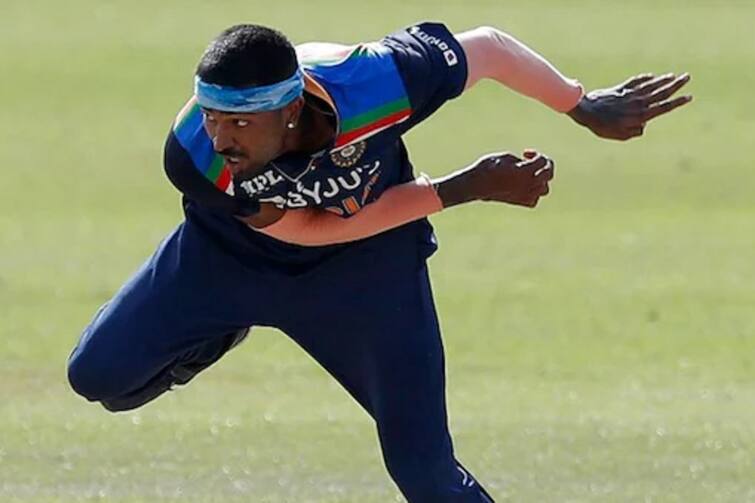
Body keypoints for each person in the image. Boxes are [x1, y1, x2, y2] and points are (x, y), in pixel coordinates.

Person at [67, 21, 692, 502]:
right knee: (97, 377)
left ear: (289, 110)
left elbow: (490, 50)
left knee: (423, 470)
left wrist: (580, 106)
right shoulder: (194, 154)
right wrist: (458, 189)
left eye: (239, 122)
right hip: (228, 260)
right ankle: (224, 327)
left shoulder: (377, 81)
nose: (221, 138)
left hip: (368, 267)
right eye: (211, 117)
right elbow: (308, 228)